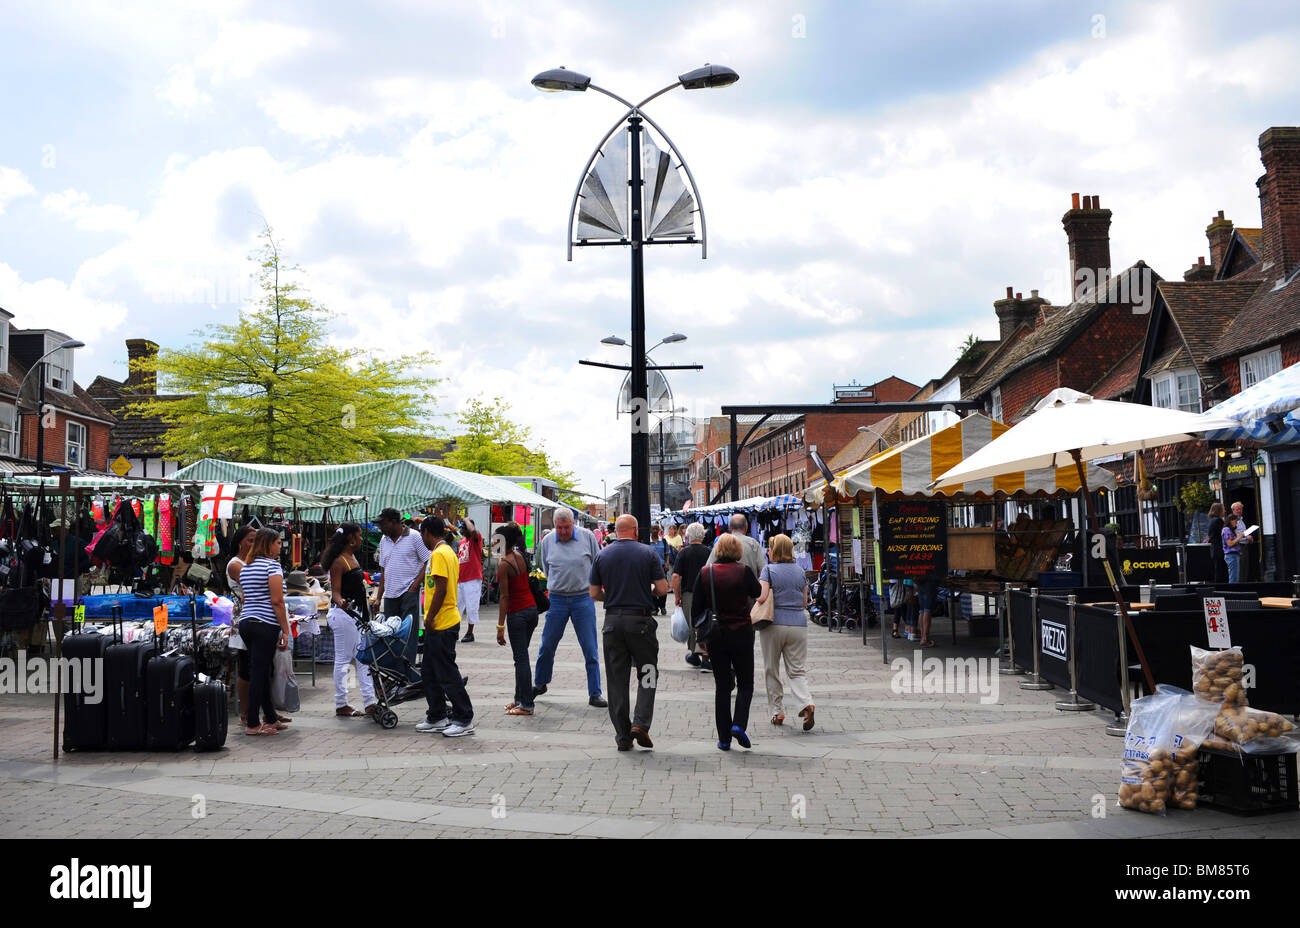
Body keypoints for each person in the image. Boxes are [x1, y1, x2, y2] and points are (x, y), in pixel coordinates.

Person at [589, 514, 667, 751]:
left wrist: (611, 597)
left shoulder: (602, 555)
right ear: (635, 530)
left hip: (612, 622)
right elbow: (663, 589)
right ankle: (641, 723)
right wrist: (648, 592)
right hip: (640, 621)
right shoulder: (647, 553)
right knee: (648, 672)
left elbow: (593, 593)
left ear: (615, 531)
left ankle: (623, 735)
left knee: (616, 680)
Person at [692, 533, 761, 751]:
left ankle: (723, 738)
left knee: (722, 687)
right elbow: (758, 592)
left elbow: (696, 609)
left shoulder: (706, 572)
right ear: (737, 551)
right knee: (746, 683)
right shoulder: (743, 571)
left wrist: (699, 637)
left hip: (716, 635)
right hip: (741, 631)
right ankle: (739, 724)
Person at [534, 508, 606, 708]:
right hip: (557, 599)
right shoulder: (548, 541)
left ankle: (595, 693)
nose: (563, 532)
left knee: (590, 647)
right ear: (554, 526)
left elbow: (598, 562)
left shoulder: (588, 537)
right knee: (547, 644)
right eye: (559, 528)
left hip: (582, 598)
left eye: (566, 528)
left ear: (573, 524)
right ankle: (540, 683)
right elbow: (546, 566)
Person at [416, 517, 474, 736]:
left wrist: (429, 618)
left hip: (442, 622)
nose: (422, 538)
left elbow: (440, 588)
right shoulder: (447, 551)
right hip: (441, 621)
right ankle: (437, 715)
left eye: (422, 534)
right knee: (429, 671)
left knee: (447, 673)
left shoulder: (440, 554)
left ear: (428, 532)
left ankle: (463, 718)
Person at [236, 528, 293, 736]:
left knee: (262, 669)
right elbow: (277, 601)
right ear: (269, 544)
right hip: (265, 624)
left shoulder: (247, 567)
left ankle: (270, 717)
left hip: (247, 622)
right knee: (259, 672)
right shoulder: (272, 566)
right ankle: (252, 722)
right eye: (278, 543)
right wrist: (285, 631)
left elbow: (245, 597)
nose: (280, 546)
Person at [756, 533, 814, 729]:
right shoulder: (800, 571)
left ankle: (777, 712)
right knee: (797, 670)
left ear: (775, 551)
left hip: (774, 624)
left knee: (771, 669)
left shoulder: (768, 570)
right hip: (798, 624)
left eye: (770, 548)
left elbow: (762, 597)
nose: (768, 551)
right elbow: (805, 602)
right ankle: (806, 703)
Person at [322, 523, 376, 719]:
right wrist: (341, 601)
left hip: (355, 616)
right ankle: (341, 703)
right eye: (360, 535)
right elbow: (335, 591)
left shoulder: (350, 557)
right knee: (345, 660)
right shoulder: (339, 562)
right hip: (345, 616)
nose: (362, 539)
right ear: (350, 538)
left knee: (362, 660)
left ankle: (370, 702)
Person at [494, 522, 539, 716]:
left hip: (518, 614)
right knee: (521, 658)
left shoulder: (504, 564)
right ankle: (519, 699)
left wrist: (499, 626)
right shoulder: (519, 555)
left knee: (521, 659)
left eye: (496, 539)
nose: (493, 542)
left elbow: (504, 597)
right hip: (531, 610)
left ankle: (527, 705)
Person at [375, 508, 429, 622]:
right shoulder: (384, 540)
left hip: (408, 594)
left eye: (383, 524)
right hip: (389, 595)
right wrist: (378, 598)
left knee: (408, 634)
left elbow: (428, 561)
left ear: (394, 522)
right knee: (391, 634)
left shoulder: (414, 536)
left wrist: (414, 586)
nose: (381, 528)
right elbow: (384, 570)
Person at [671, 522, 712, 670]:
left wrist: (677, 596)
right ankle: (706, 656)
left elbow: (676, 577)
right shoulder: (709, 552)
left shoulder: (684, 552)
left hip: (689, 593)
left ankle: (695, 653)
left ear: (687, 536)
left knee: (691, 623)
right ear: (702, 535)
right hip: (707, 593)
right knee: (705, 623)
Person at [225, 525, 255, 727]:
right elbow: (253, 585)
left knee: (261, 665)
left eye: (255, 540)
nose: (253, 544)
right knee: (246, 666)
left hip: (256, 616)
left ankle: (264, 711)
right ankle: (245, 713)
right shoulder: (235, 564)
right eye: (250, 540)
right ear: (240, 542)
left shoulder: (253, 562)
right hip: (244, 617)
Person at [705, 513, 765, 578]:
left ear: (730, 528)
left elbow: (708, 568)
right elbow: (762, 570)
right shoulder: (753, 543)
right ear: (746, 527)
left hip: (725, 585)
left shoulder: (721, 543)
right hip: (748, 585)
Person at [456, 518, 485, 643]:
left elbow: (472, 530)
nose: (464, 530)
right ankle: (454, 630)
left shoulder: (476, 537)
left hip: (472, 578)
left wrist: (466, 520)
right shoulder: (462, 541)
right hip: (460, 578)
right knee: (456, 606)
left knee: (471, 606)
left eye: (466, 527)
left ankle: (470, 632)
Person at [649, 525, 673, 615]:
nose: (655, 530)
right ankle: (654, 607)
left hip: (662, 567)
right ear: (650, 530)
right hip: (651, 567)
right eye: (653, 529)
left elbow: (667, 553)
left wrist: (667, 563)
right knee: (652, 587)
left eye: (656, 529)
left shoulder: (663, 541)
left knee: (663, 586)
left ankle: (662, 606)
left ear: (659, 530)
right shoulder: (648, 542)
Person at [1222, 513, 1245, 584]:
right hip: (1231, 555)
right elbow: (1230, 543)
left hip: (1234, 555)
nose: (1236, 524)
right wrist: (1239, 537)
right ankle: (1232, 593)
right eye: (1235, 521)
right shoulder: (1226, 530)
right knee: (1234, 578)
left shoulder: (1230, 530)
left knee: (1235, 576)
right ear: (1231, 521)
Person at [1206, 502, 1226, 584]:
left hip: (1215, 549)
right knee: (1220, 571)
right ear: (1219, 510)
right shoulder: (1218, 521)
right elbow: (1224, 534)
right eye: (1223, 509)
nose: (1225, 511)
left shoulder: (1212, 520)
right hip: (1219, 549)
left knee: (1218, 570)